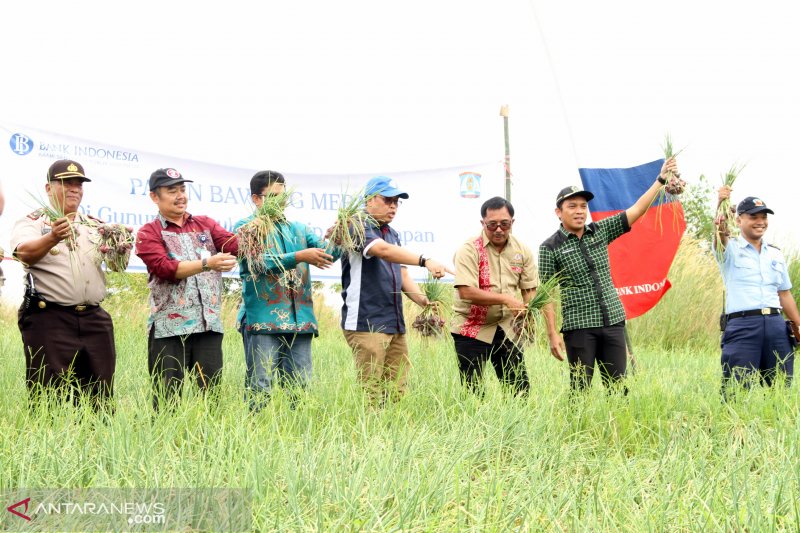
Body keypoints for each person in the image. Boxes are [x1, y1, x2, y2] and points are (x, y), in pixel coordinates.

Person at [539, 158, 678, 392]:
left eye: (583, 206)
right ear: (558, 212)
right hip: (579, 326)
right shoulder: (550, 247)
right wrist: (552, 333)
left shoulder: (600, 231)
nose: (579, 211)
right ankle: (580, 427)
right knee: (580, 389)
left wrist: (660, 180)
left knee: (618, 388)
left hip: (612, 321)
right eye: (572, 206)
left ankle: (615, 428)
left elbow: (636, 209)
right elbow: (546, 294)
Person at [11, 159, 123, 404]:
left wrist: (121, 248)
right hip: (50, 319)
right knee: (48, 399)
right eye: (66, 183)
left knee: (100, 398)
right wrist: (52, 237)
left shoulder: (95, 226)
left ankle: (96, 441)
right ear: (48, 188)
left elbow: (116, 265)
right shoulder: (34, 222)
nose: (75, 188)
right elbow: (24, 254)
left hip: (94, 319)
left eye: (79, 184)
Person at [340, 176, 450, 404]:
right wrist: (424, 260)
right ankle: (369, 435)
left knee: (397, 388)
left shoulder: (392, 233)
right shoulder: (355, 225)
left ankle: (393, 434)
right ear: (370, 200)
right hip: (366, 321)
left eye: (396, 202)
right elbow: (383, 251)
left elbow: (401, 274)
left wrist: (422, 301)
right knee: (370, 389)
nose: (393, 206)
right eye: (387, 200)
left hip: (393, 322)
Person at [135, 168, 239, 410]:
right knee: (166, 401)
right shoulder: (149, 232)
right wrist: (207, 264)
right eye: (172, 191)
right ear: (154, 197)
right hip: (169, 329)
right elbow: (165, 269)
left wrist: (261, 226)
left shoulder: (205, 224)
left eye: (182, 189)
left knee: (211, 400)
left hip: (207, 325)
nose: (180, 195)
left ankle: (211, 445)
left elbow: (235, 245)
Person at [235, 170, 338, 410]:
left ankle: (299, 436)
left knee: (301, 386)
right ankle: (254, 436)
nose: (279, 202)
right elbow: (258, 262)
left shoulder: (299, 229)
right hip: (263, 319)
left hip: (300, 320)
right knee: (260, 385)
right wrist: (299, 256)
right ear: (256, 199)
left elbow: (328, 253)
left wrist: (341, 236)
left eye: (283, 196)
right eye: (272, 196)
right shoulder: (247, 228)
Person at [715, 189, 800, 393]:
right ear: (739, 220)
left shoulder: (776, 254)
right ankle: (734, 425)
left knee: (781, 389)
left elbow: (784, 293)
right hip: (742, 326)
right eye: (753, 216)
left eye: (763, 217)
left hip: (776, 326)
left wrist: (798, 324)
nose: (760, 221)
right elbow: (719, 231)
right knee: (736, 388)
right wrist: (721, 203)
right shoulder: (729, 250)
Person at [450, 196, 538, 395]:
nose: (499, 229)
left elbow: (529, 289)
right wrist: (507, 300)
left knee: (519, 391)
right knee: (473, 392)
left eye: (504, 224)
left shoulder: (522, 250)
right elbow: (466, 291)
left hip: (506, 327)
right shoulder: (469, 249)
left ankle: (516, 423)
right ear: (483, 223)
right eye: (492, 225)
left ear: (512, 223)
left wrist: (527, 311)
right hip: (471, 328)